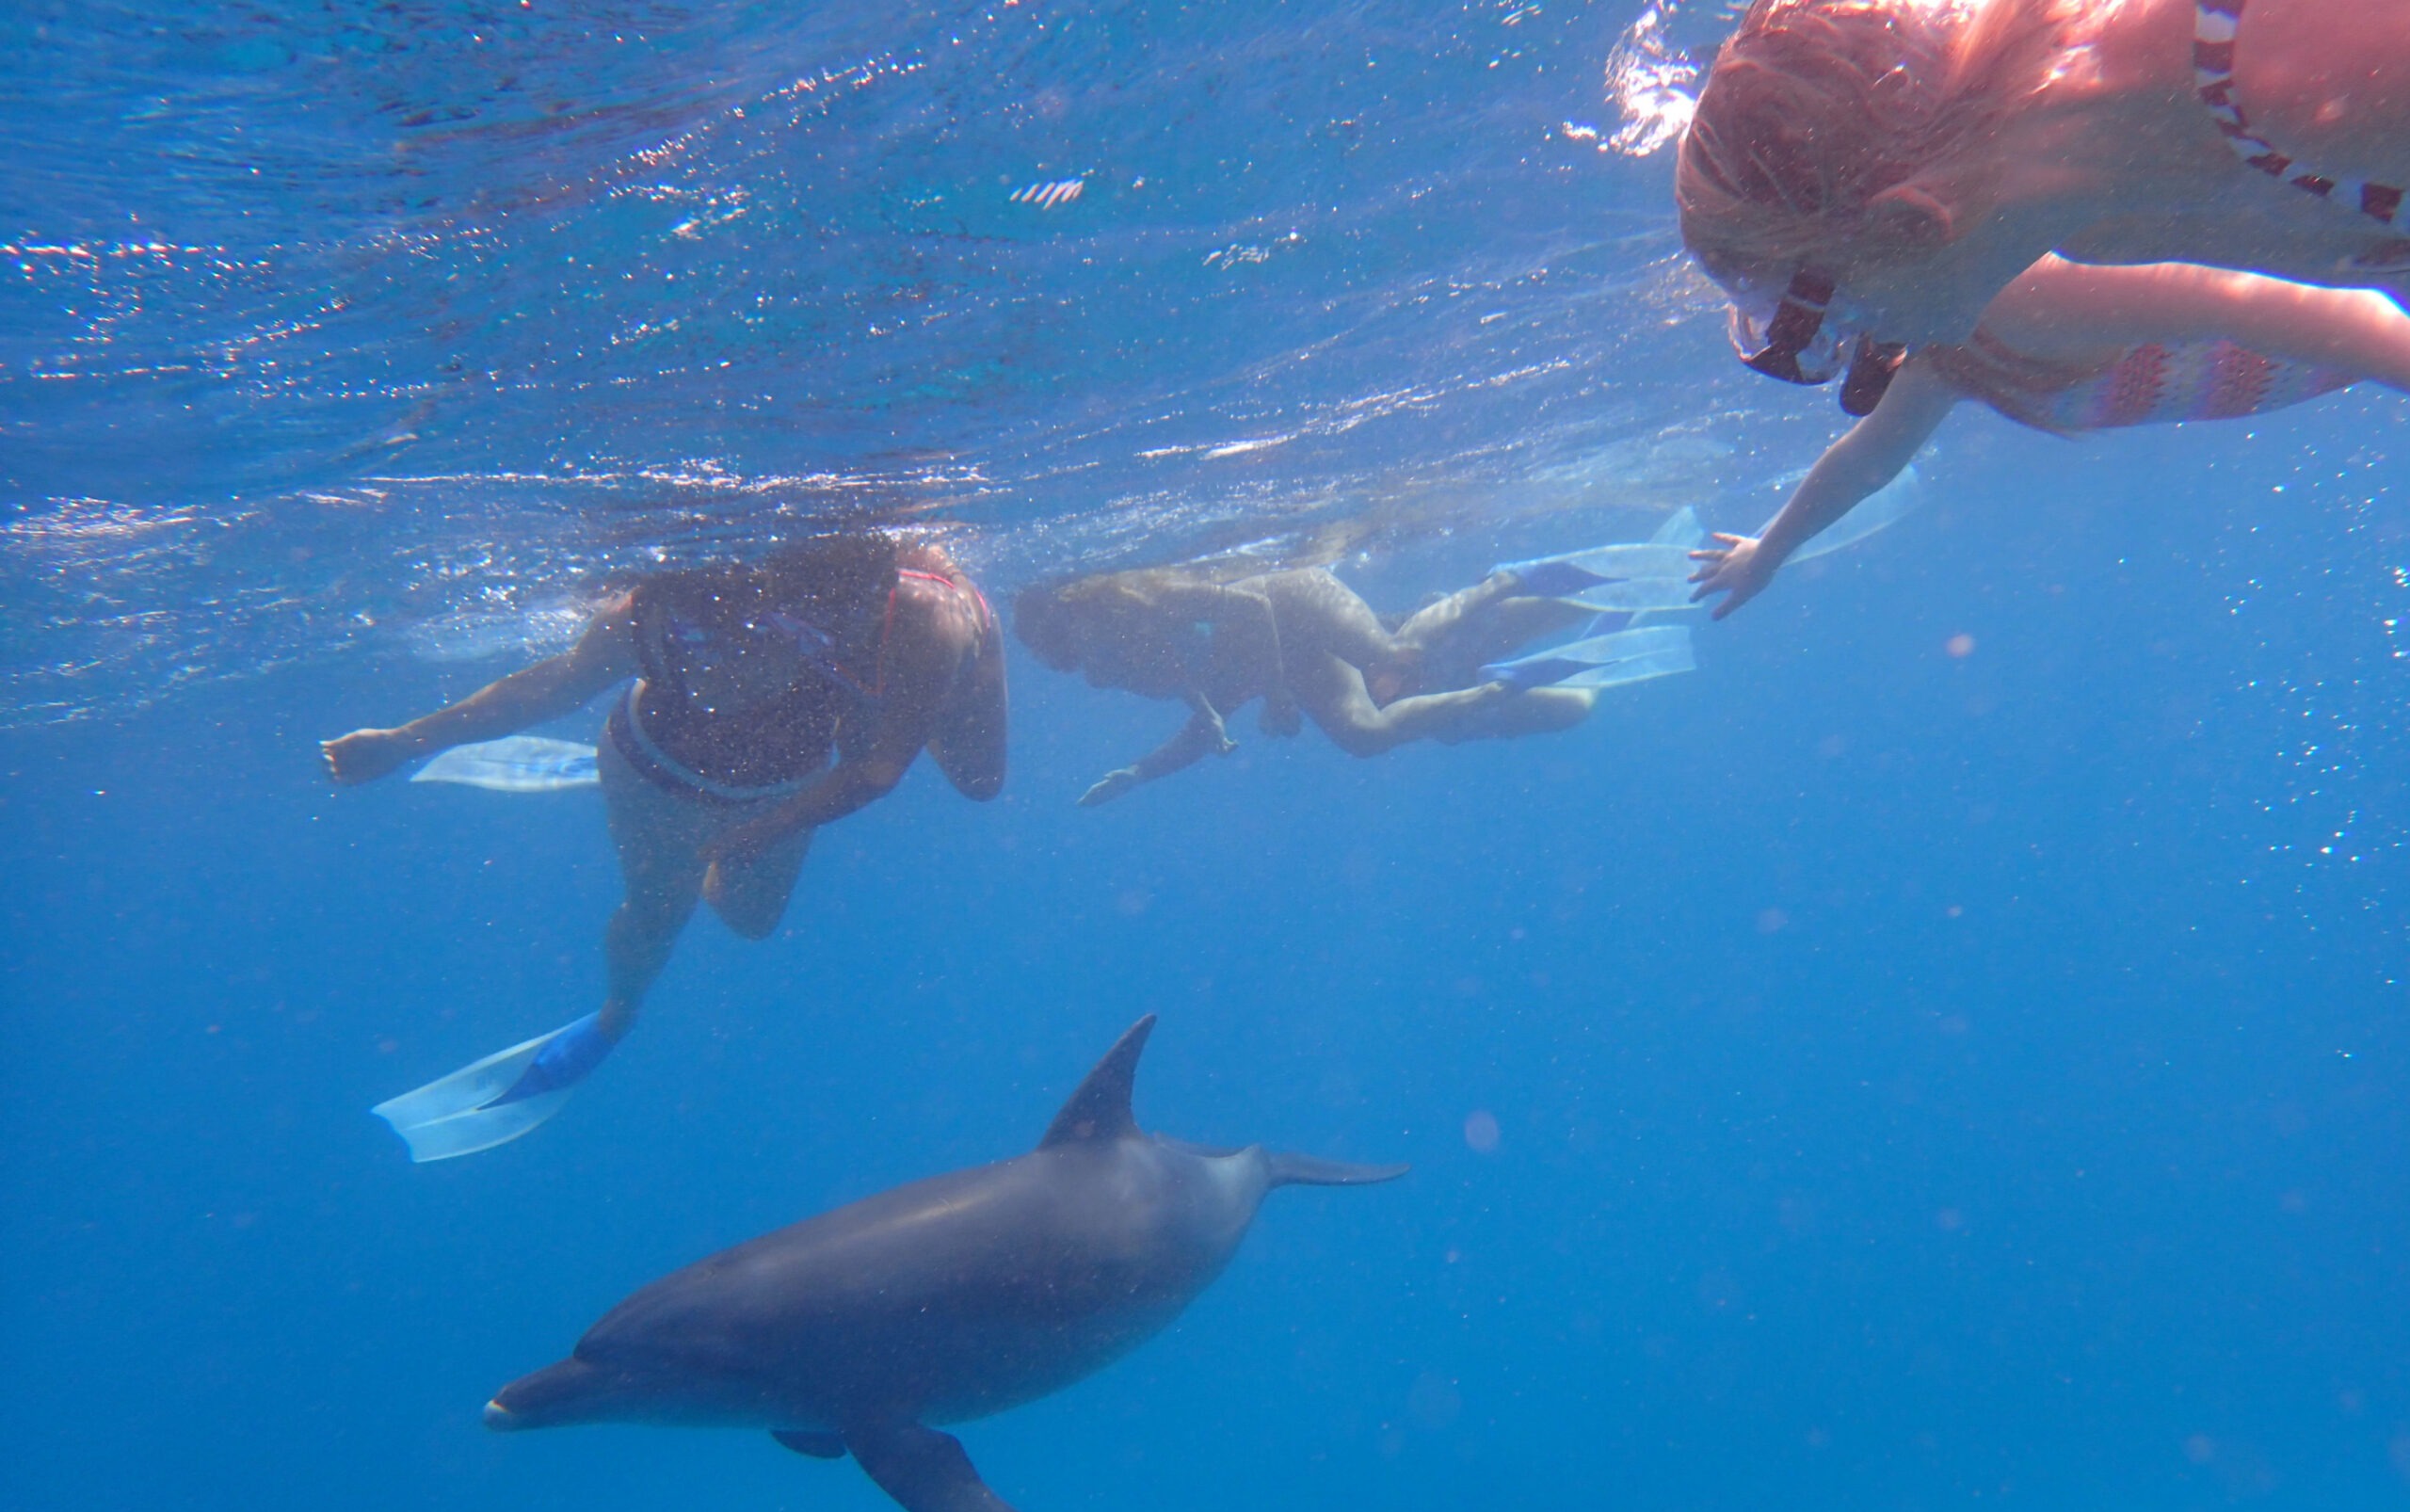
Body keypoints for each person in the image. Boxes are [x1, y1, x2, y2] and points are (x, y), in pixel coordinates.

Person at [322, 532, 1005, 1158]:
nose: (720, 664)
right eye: (698, 638)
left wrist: (762, 830)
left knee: (751, 923)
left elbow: (878, 765)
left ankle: (654, 828)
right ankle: (619, 1011)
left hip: (780, 791)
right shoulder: (646, 618)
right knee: (659, 914)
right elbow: (556, 684)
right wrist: (404, 740)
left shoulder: (837, 614)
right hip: (655, 774)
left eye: (742, 637)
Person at [1676, 0, 2410, 401]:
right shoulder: (2106, 229)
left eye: (1826, 317)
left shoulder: (2294, 64)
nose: (1860, 344)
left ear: (1908, 221)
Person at [1692, 254, 2410, 613]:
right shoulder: (1946, 356)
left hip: (2368, 320)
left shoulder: (2009, 293)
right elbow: (1864, 464)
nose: (1850, 359)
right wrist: (1769, 551)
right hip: (2346, 348)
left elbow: (2278, 308)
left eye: (1831, 332)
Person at [1013, 557, 1634, 806]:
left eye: (1062, 646)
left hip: (1295, 603)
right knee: (1365, 736)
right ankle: (1496, 688)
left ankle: (1497, 584)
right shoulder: (1113, 664)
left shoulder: (1157, 598)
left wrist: (1278, 692)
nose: (1076, 668)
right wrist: (1139, 774)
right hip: (1283, 662)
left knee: (1396, 654)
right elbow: (1201, 710)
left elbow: (1256, 611)